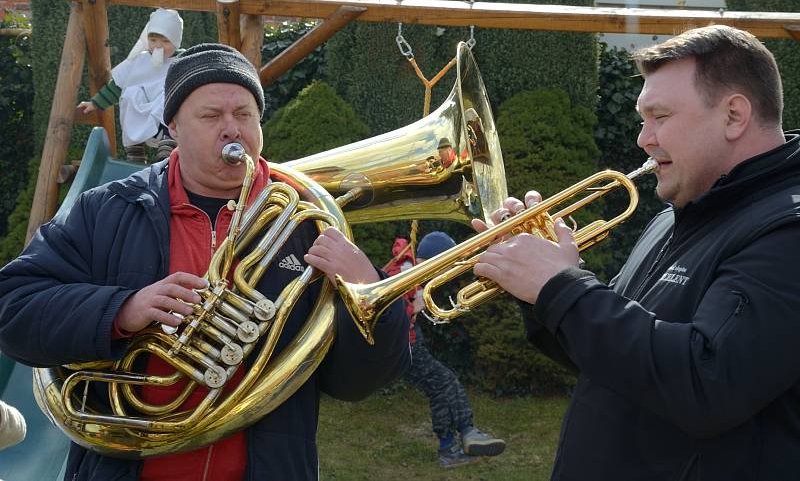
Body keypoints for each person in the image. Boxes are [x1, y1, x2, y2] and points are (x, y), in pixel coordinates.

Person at [0, 43, 410, 480]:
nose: (232, 129)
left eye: (245, 115)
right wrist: (123, 309)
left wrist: (371, 292)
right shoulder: (108, 209)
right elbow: (14, 306)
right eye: (211, 116)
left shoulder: (308, 223)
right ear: (173, 126)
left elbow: (354, 383)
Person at [472, 24, 800, 480]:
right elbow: (620, 362)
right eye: (643, 119)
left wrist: (562, 287)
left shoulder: (787, 228)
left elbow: (706, 381)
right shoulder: (675, 216)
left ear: (734, 116)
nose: (643, 138)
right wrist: (536, 286)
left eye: (660, 116)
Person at [389, 231, 505, 468]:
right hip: (403, 344)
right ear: (436, 258)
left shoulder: (410, 270)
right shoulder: (404, 272)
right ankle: (466, 432)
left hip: (407, 341)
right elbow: (390, 312)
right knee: (445, 382)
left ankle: (449, 446)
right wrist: (415, 307)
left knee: (439, 389)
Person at [77, 8, 184, 163]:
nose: (158, 46)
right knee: (130, 92)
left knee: (171, 94)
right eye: (153, 40)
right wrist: (95, 103)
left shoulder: (182, 60)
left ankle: (167, 144)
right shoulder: (139, 60)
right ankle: (135, 148)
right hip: (142, 108)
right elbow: (117, 86)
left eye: (166, 41)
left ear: (176, 40)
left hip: (165, 116)